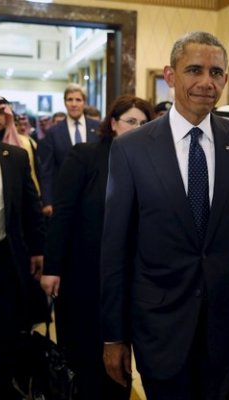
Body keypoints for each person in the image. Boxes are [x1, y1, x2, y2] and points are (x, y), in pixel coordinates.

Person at [100, 31, 229, 400]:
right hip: (159, 328)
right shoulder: (131, 149)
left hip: (225, 328)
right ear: (170, 76)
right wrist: (113, 335)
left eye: (215, 73)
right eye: (194, 70)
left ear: (225, 79)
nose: (206, 82)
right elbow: (115, 249)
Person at [40, 95, 154, 400]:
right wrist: (52, 267)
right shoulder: (86, 156)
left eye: (144, 123)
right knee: (86, 359)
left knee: (120, 363)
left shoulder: (149, 163)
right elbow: (63, 213)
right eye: (131, 121)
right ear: (113, 123)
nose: (137, 128)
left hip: (129, 277)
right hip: (84, 273)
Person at [0, 92, 45, 399]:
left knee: (3, 340)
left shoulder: (14, 156)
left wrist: (38, 250)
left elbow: (31, 208)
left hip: (2, 260)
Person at [38, 83, 100, 217]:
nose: (74, 104)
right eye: (70, 99)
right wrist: (47, 201)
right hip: (63, 198)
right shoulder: (53, 132)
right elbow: (47, 170)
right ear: (64, 102)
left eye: (78, 100)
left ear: (84, 102)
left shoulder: (98, 128)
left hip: (93, 195)